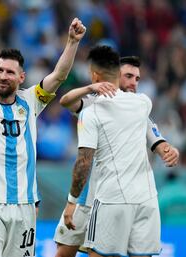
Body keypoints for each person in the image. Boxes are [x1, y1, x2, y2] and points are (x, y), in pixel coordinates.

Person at [0, 8, 86, 257]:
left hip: (25, 207)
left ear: (21, 77)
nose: (3, 76)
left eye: (9, 72)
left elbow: (60, 75)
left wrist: (72, 42)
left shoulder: (31, 101)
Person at [53, 56, 179, 257]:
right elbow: (66, 101)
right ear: (113, 77)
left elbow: (156, 139)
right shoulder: (94, 104)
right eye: (128, 76)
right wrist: (91, 88)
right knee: (64, 253)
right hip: (87, 197)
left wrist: (168, 149)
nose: (133, 83)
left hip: (111, 199)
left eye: (137, 79)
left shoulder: (138, 111)